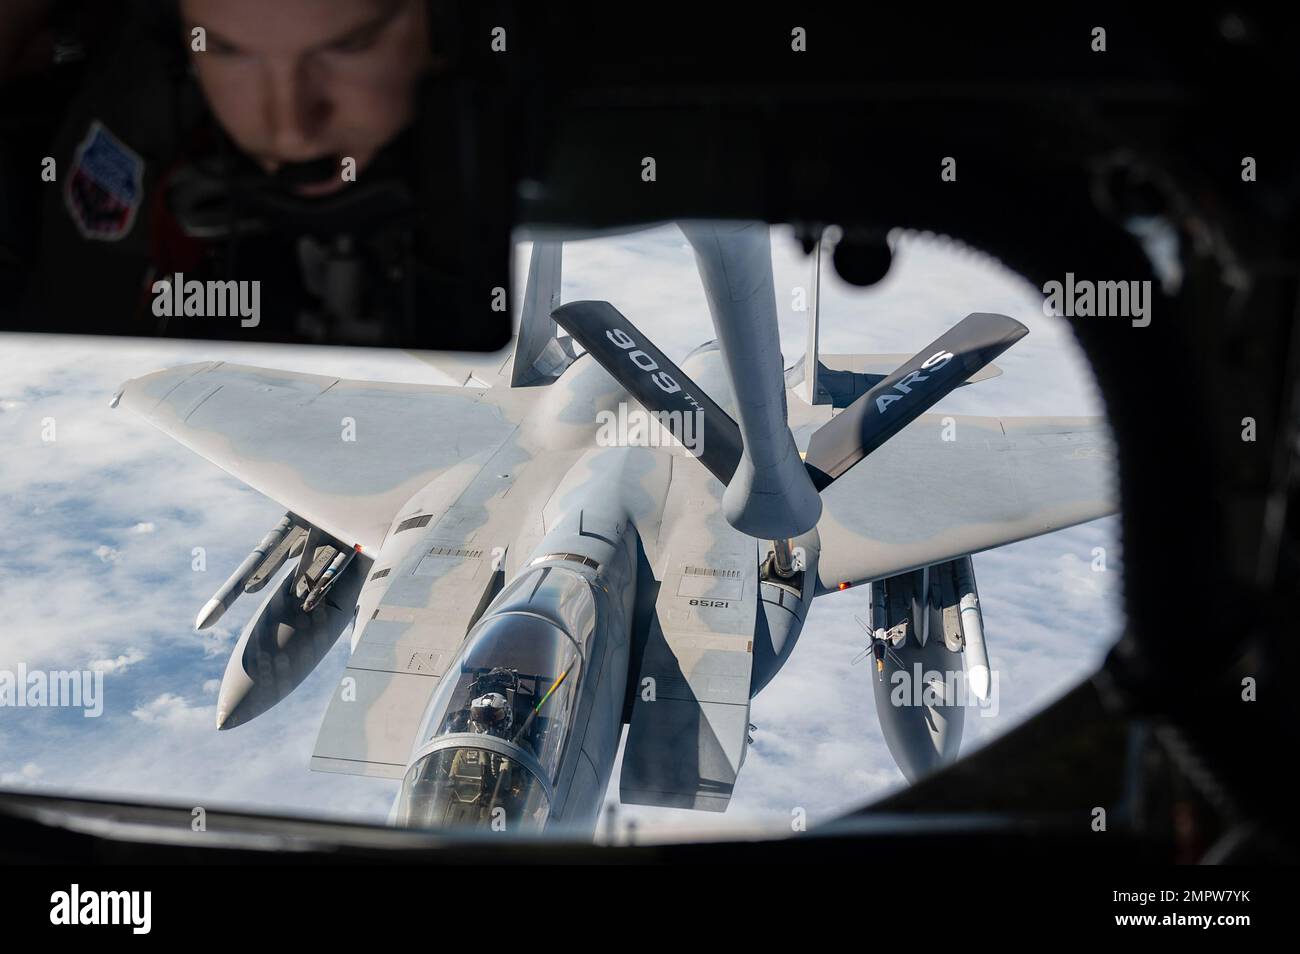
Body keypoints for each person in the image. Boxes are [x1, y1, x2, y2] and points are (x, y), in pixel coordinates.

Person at [0, 0, 508, 349]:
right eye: (226, 49)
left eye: (350, 45)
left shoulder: (529, 133)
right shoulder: (139, 122)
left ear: (445, 25)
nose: (290, 131)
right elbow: (89, 319)